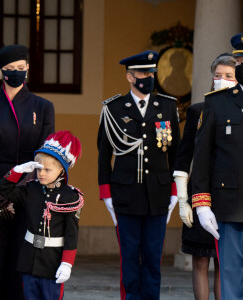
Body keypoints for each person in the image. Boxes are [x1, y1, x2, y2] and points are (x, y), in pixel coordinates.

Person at [0, 45, 55, 300]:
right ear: (0, 73)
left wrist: (16, 193)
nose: (16, 73)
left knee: (22, 266)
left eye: (21, 68)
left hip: (27, 194)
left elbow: (45, 156)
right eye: (10, 70)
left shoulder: (43, 106)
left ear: (28, 68)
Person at [97, 50, 180, 300]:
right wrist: (106, 194)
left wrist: (176, 192)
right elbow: (104, 155)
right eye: (143, 73)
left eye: (151, 72)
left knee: (154, 258)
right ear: (130, 77)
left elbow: (175, 154)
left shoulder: (167, 106)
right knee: (130, 258)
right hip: (125, 194)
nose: (149, 77)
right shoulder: (113, 108)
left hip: (159, 194)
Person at [174, 54, 236, 300]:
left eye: (228, 76)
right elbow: (183, 156)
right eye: (218, 75)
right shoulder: (198, 111)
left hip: (228, 197)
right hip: (200, 193)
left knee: (224, 261)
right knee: (200, 259)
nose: (222, 80)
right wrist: (182, 201)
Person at [0, 130, 84, 300]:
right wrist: (18, 170)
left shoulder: (70, 197)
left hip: (53, 262)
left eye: (48, 170)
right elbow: (3, 190)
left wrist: (67, 263)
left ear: (61, 170)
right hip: (29, 260)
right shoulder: (31, 189)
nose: (41, 174)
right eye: (38, 169)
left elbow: (71, 234)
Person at [191, 33, 243, 299]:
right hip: (231, 205)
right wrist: (201, 205)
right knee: (231, 278)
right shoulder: (217, 102)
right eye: (240, 60)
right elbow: (201, 157)